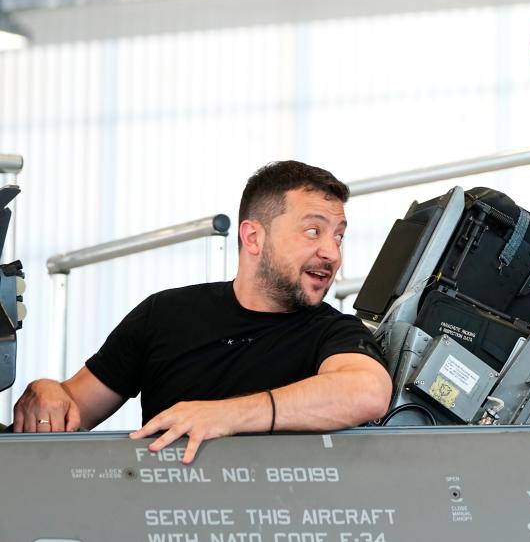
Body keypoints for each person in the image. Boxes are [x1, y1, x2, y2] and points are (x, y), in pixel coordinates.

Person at [12, 160, 391, 462]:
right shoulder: (165, 315)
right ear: (253, 237)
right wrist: (47, 391)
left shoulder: (335, 332)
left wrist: (225, 416)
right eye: (314, 231)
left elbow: (366, 390)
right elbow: (74, 405)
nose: (332, 252)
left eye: (339, 235)